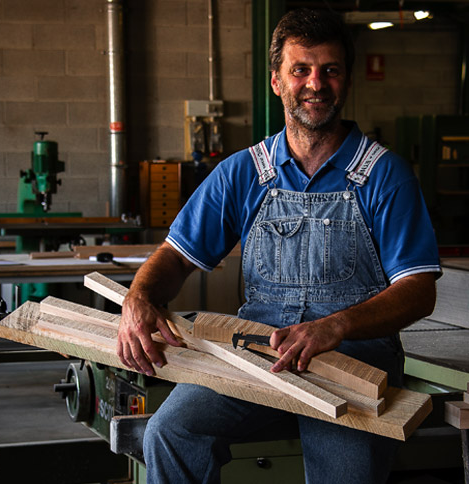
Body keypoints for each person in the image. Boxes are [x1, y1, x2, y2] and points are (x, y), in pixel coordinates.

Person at [118, 8, 441, 484]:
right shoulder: (243, 173)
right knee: (170, 432)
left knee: (344, 475)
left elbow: (418, 289)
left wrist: (336, 325)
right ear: (276, 81)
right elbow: (176, 256)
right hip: (256, 354)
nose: (316, 83)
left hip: (354, 363)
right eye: (300, 70)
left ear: (347, 80)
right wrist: (139, 296)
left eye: (330, 70)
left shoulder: (384, 175)